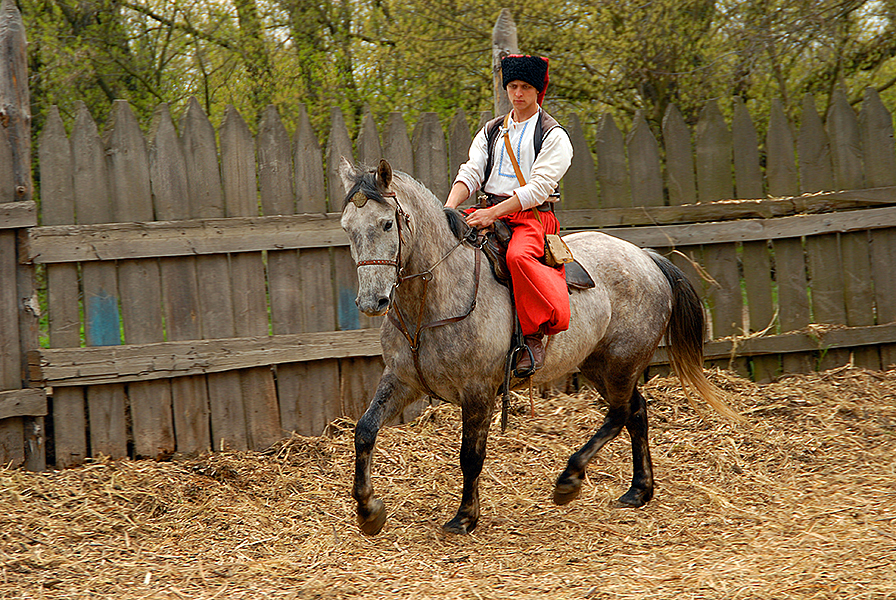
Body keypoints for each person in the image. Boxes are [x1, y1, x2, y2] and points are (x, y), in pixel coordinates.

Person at [445, 54, 573, 373]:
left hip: (533, 218)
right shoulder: (491, 131)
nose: (518, 94)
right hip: (490, 210)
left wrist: (493, 214)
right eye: (513, 86)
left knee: (517, 257)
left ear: (538, 90)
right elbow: (472, 172)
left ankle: (532, 336)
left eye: (525, 87)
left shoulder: (553, 136)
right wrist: (448, 208)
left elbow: (537, 189)